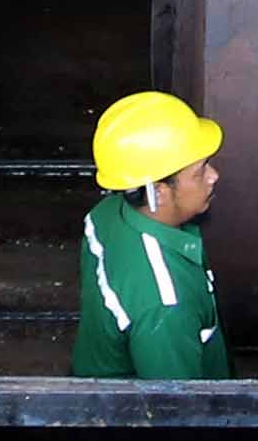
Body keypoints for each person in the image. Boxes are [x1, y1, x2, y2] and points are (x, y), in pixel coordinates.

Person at [76, 90, 227, 379]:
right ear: (158, 190)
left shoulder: (105, 214)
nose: (214, 176)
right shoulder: (167, 305)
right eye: (200, 171)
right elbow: (178, 408)